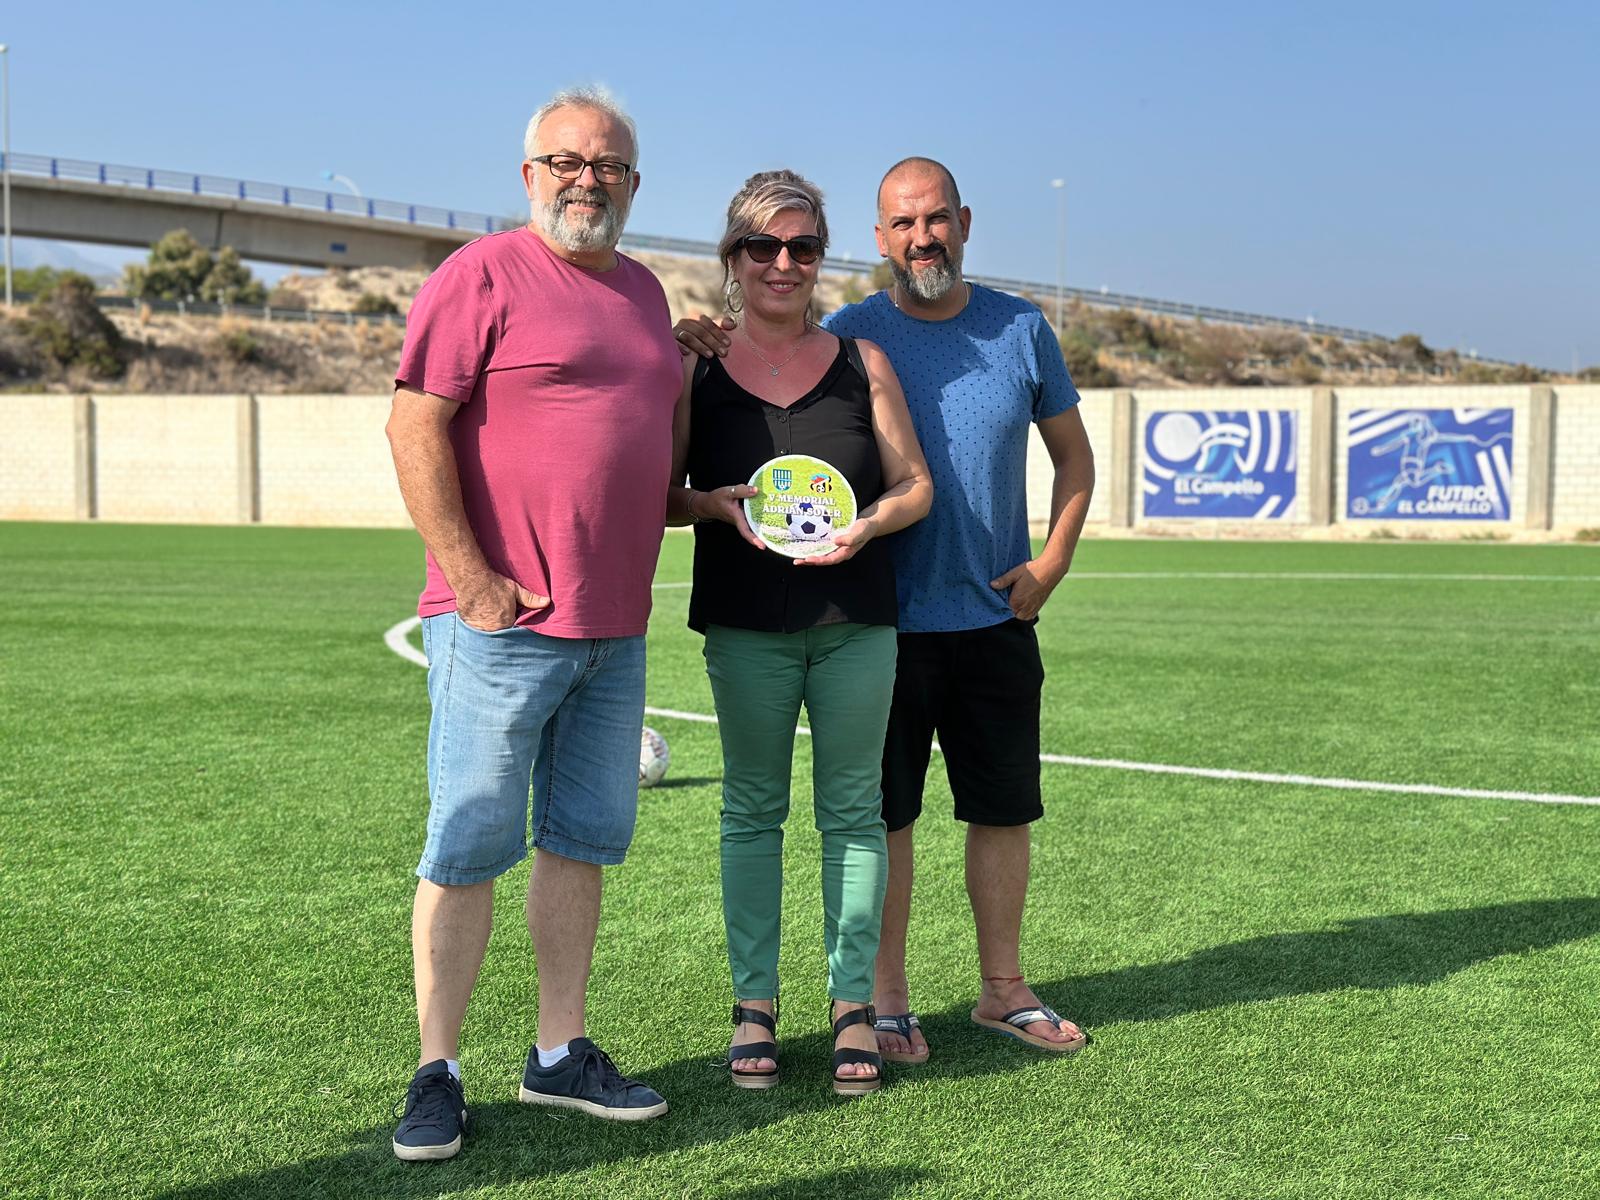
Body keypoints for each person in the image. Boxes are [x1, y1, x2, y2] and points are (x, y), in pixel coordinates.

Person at [675, 156, 1095, 1065]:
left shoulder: (1017, 328)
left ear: (964, 221)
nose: (922, 238)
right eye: (902, 225)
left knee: (1000, 807)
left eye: (935, 219)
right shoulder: (843, 334)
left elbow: (1068, 459)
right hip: (886, 622)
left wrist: (1051, 563)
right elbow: (696, 446)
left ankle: (1001, 992)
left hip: (992, 615)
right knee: (879, 815)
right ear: (878, 241)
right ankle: (884, 1003)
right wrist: (696, 341)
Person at [384, 88, 679, 1162]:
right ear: (527, 176)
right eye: (564, 161)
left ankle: (558, 1053)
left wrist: (711, 498)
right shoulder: (482, 274)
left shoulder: (648, 295)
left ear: (632, 186)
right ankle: (437, 1068)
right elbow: (414, 421)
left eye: (605, 166)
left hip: (614, 629)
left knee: (581, 841)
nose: (583, 179)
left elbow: (642, 449)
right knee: (467, 844)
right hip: (500, 624)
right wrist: (469, 575)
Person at [665, 169, 932, 1096]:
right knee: (751, 812)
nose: (783, 264)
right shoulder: (694, 365)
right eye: (762, 247)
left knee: (853, 813)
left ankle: (852, 1005)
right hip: (745, 626)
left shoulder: (863, 362)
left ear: (822, 258)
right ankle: (754, 1008)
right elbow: (660, 497)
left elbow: (914, 486)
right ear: (732, 257)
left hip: (856, 621)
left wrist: (867, 525)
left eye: (803, 248)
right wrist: (707, 501)